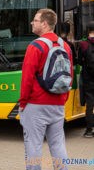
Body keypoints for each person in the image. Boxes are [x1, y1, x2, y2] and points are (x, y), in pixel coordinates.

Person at [19, 9, 72, 169]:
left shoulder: (35, 46)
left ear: (44, 23)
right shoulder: (65, 46)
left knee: (33, 145)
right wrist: (63, 98)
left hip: (35, 104)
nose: (32, 22)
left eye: (35, 20)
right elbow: (68, 74)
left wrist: (22, 103)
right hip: (58, 104)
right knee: (58, 144)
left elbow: (27, 78)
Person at [77, 21, 94, 138]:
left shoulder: (83, 44)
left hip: (88, 78)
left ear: (88, 30)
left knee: (89, 104)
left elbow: (79, 61)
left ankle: (89, 130)